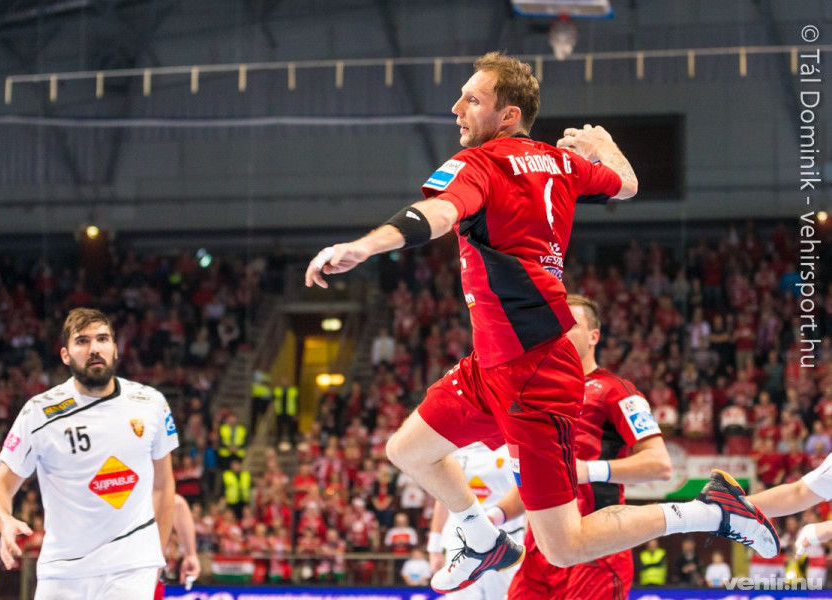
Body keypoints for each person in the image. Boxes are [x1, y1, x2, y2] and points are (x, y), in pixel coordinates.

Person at [304, 51, 778, 593]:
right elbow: (626, 185)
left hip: (533, 372)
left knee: (563, 544)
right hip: (493, 362)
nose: (457, 107)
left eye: (472, 99)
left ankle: (709, 511)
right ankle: (479, 537)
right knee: (407, 450)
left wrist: (364, 247)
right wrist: (606, 147)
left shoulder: (483, 163)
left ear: (508, 115)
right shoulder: (560, 163)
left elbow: (436, 214)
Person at [0, 308, 178, 600]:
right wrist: (4, 520)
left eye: (102, 339)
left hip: (132, 566)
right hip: (63, 570)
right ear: (65, 355)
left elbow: (163, 484)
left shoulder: (151, 403)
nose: (94, 348)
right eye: (82, 341)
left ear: (115, 349)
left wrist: (156, 556)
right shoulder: (39, 412)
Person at [504, 294, 672, 599]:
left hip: (596, 547)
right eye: (553, 326)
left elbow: (659, 464)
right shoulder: (536, 397)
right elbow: (533, 481)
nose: (558, 333)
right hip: (539, 551)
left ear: (594, 336)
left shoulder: (616, 391)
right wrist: (492, 518)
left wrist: (586, 471)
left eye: (569, 325)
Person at [427, 443, 525, 600]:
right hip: (461, 542)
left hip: (506, 541)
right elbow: (443, 499)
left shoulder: (513, 445)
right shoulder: (454, 448)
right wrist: (434, 548)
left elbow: (526, 493)